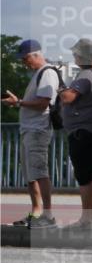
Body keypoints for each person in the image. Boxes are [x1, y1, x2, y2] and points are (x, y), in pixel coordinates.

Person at [3, 39, 59, 228]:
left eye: (26, 58)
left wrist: (18, 102)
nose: (24, 62)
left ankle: (48, 214)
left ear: (37, 54)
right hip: (29, 129)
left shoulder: (47, 73)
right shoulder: (38, 74)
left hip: (38, 129)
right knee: (30, 173)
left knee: (40, 172)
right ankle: (36, 212)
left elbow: (43, 103)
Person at [58, 39, 92, 229]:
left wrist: (60, 85)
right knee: (89, 175)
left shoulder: (86, 75)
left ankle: (88, 219)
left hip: (84, 130)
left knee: (84, 175)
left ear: (81, 56)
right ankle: (90, 218)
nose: (74, 56)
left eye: (76, 53)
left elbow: (68, 97)